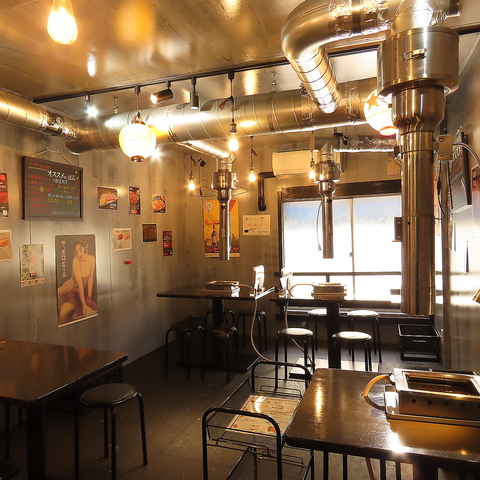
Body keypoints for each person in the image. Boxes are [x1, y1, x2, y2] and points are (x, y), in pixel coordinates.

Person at [57, 238, 97, 325]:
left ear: (86, 247)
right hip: (70, 287)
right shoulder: (76, 260)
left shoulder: (92, 259)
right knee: (56, 295)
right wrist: (84, 305)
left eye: (80, 250)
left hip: (78, 292)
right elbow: (80, 284)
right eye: (77, 251)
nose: (79, 254)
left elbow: (90, 279)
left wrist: (89, 299)